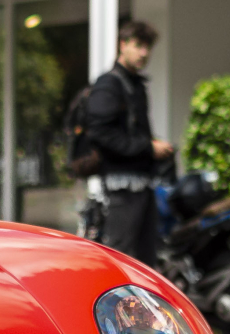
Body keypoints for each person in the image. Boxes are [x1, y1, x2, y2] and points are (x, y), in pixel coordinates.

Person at [66, 18, 172, 265]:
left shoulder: (134, 84)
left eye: (147, 47)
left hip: (141, 185)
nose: (144, 53)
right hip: (121, 189)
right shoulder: (109, 84)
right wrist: (148, 147)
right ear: (122, 45)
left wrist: (151, 144)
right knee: (122, 259)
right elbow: (100, 133)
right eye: (137, 45)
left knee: (145, 260)